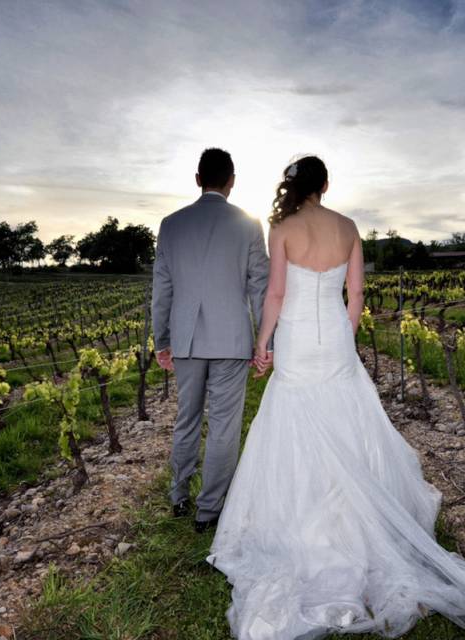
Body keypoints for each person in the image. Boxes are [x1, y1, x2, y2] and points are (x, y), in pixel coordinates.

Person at [205, 155, 465, 640]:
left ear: (293, 187)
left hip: (299, 342)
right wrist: (343, 337)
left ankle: (302, 527)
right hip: (336, 345)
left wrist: (264, 342)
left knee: (294, 421)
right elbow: (357, 293)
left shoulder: (282, 229)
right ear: (325, 184)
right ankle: (362, 526)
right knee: (349, 419)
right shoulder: (347, 227)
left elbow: (277, 295)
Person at [150, 147, 269, 532]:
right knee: (223, 426)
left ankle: (178, 494)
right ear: (232, 181)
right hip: (232, 340)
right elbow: (260, 288)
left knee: (186, 419)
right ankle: (209, 510)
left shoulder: (171, 224)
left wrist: (161, 339)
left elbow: (162, 289)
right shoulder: (249, 224)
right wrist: (266, 340)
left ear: (198, 179)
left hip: (184, 339)